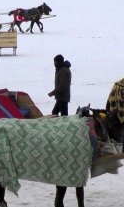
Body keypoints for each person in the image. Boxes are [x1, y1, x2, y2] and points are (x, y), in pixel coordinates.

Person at [47, 54, 73, 206]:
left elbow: (63, 86)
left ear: (58, 61)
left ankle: (61, 132)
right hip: (62, 97)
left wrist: (53, 92)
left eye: (54, 61)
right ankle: (62, 129)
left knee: (57, 115)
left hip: (62, 96)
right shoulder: (63, 69)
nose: (53, 64)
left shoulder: (63, 71)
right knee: (59, 114)